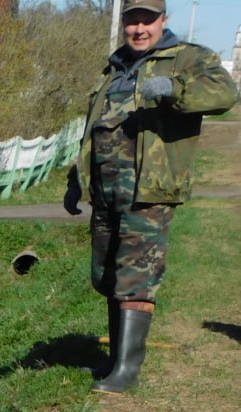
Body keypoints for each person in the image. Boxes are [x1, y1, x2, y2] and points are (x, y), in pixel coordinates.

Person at [63, 0, 236, 392]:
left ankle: (127, 371)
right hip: (105, 191)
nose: (139, 29)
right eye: (132, 21)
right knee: (108, 274)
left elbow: (224, 94)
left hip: (149, 188)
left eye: (148, 20)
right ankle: (114, 360)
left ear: (163, 20)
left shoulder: (188, 58)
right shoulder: (114, 68)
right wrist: (76, 180)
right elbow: (95, 128)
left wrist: (175, 89)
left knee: (136, 277)